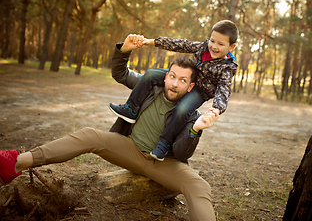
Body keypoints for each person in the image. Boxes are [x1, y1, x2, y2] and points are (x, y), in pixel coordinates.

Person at [0, 34, 219, 221]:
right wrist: (124, 51)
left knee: (200, 187)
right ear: (165, 76)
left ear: (190, 87)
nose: (173, 83)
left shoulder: (191, 114)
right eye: (171, 76)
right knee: (89, 135)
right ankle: (16, 163)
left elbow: (182, 152)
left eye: (182, 80)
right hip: (130, 149)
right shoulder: (150, 86)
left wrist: (195, 129)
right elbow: (121, 74)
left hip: (165, 163)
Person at [109, 20, 238, 161]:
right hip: (185, 77)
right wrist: (150, 41)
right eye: (212, 41)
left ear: (232, 47)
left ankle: (164, 143)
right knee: (151, 74)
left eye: (220, 44)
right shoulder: (203, 47)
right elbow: (179, 44)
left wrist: (217, 109)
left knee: (182, 109)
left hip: (199, 91)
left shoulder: (227, 68)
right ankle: (131, 109)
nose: (214, 46)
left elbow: (224, 90)